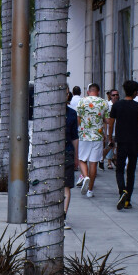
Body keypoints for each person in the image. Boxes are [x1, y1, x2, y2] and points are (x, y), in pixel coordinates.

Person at [108, 80, 138, 210]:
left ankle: (122, 192)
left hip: (121, 141)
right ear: (136, 92)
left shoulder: (117, 106)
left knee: (119, 169)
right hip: (134, 142)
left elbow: (111, 123)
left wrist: (110, 139)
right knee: (131, 171)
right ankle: (127, 200)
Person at [74, 84, 110, 198]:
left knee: (81, 159)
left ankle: (85, 177)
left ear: (88, 91)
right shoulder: (104, 103)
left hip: (84, 135)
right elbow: (107, 120)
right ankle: (90, 191)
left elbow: (78, 119)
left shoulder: (82, 102)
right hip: (98, 136)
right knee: (93, 162)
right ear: (98, 91)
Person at [63, 88, 78, 227]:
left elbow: (75, 137)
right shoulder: (48, 112)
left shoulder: (72, 114)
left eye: (66, 92)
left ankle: (63, 215)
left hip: (67, 152)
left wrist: (76, 157)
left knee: (66, 186)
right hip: (50, 155)